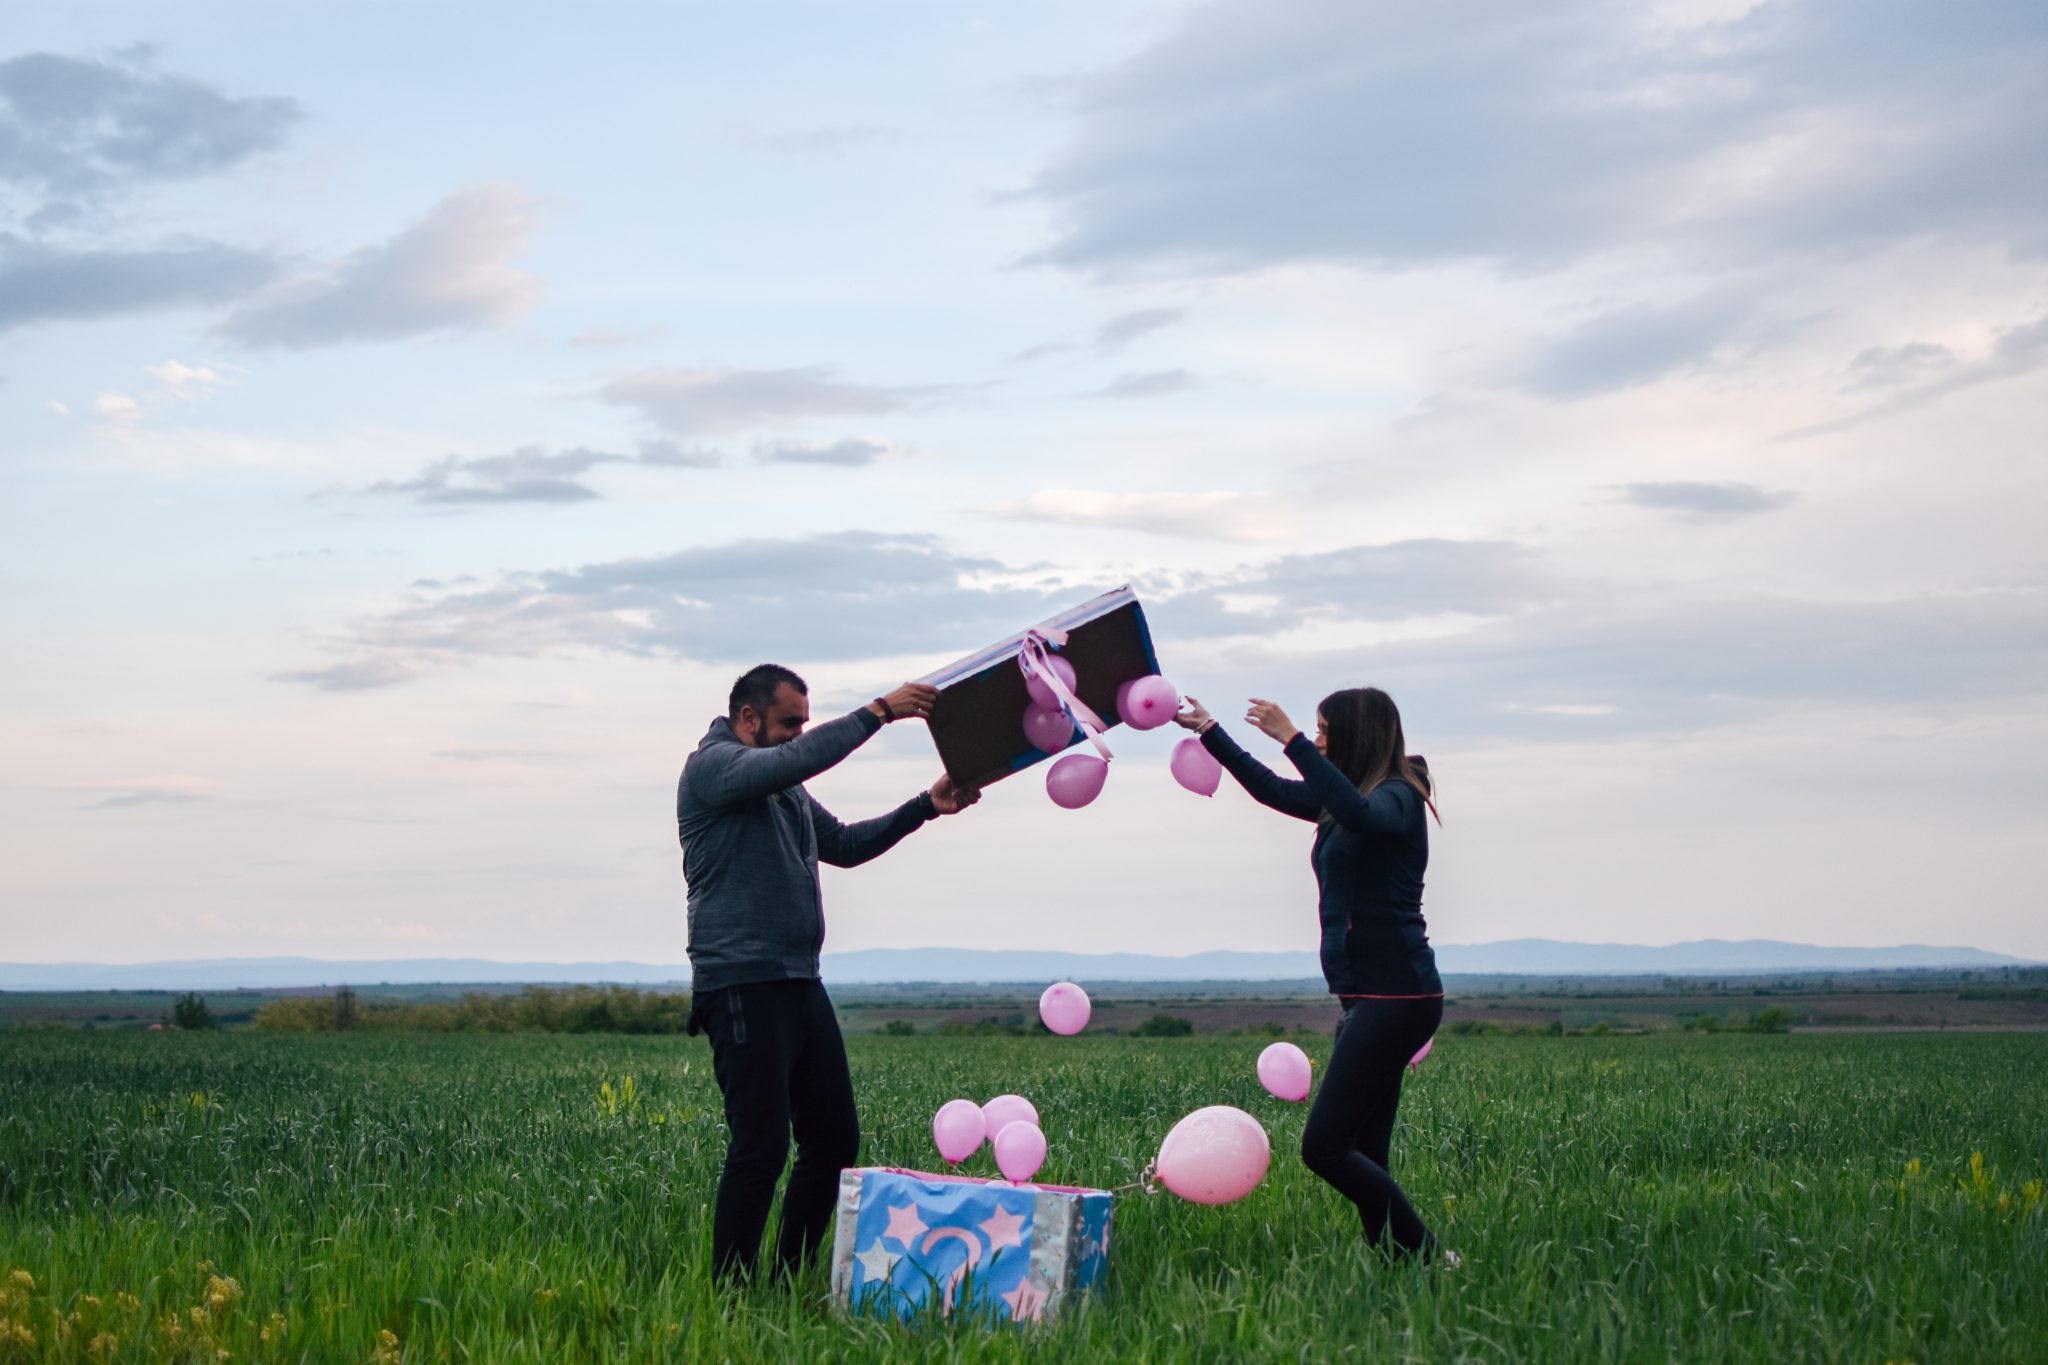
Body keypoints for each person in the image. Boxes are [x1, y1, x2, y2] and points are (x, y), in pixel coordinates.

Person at [678, 663, 980, 1284]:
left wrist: (925, 805)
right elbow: (791, 763)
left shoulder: (781, 784)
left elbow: (841, 844)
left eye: (804, 725)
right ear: (748, 719)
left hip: (797, 981)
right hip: (741, 983)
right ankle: (729, 1294)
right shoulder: (712, 768)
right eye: (789, 723)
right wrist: (880, 711)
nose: (797, 736)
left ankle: (789, 1278)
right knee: (759, 1148)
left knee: (834, 1140)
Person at [1173, 685, 1452, 1263]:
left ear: (1356, 734)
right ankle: (1397, 1269)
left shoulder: (1398, 795)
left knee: (1324, 1148)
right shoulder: (1345, 798)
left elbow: (1358, 812)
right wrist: (1210, 731)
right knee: (1367, 1151)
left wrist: (1291, 739)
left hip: (1397, 995)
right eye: (1315, 730)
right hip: (1368, 997)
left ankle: (1429, 1256)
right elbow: (1275, 790)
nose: (1318, 738)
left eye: (1325, 730)